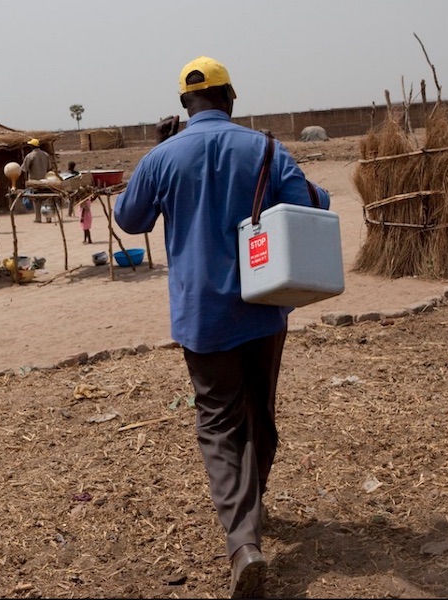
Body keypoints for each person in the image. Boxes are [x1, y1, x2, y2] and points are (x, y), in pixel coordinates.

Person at [113, 56, 330, 598]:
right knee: (260, 413)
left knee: (218, 423)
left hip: (201, 316)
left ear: (185, 107)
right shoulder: (264, 149)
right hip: (264, 307)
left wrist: (155, 156)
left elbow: (130, 219)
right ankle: (250, 515)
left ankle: (244, 542)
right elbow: (312, 203)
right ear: (231, 98)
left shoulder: (163, 157)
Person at [20, 138, 55, 223]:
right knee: (46, 199)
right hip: (45, 181)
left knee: (36, 200)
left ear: (32, 146)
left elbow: (24, 169)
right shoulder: (45, 155)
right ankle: (48, 217)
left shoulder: (30, 156)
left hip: (34, 182)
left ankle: (38, 218)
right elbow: (49, 167)